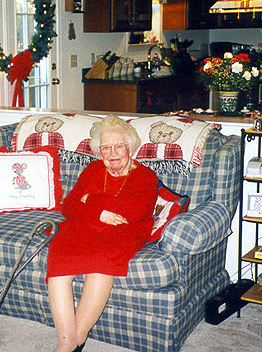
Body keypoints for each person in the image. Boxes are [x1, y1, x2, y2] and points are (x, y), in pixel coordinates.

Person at [46, 115, 158, 352]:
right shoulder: (93, 169)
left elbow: (135, 211)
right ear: (99, 151)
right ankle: (66, 343)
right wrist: (100, 214)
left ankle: (73, 342)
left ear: (130, 148)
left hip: (123, 231)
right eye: (106, 147)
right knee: (58, 257)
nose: (113, 152)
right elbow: (69, 206)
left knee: (100, 262)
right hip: (85, 225)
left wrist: (92, 200)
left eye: (119, 146)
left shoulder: (145, 176)